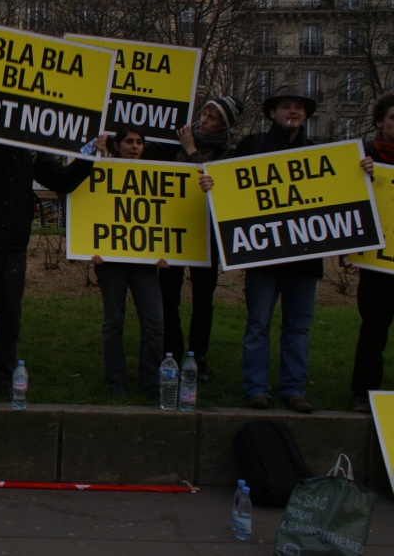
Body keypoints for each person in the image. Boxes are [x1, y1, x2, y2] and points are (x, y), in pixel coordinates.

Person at [199, 83, 372, 413]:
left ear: (306, 115)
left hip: (304, 260)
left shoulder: (320, 154)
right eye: (286, 106)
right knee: (258, 324)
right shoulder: (251, 147)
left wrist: (360, 172)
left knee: (298, 326)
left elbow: (341, 198)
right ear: (272, 112)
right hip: (263, 257)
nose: (293, 111)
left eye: (299, 107)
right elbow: (227, 185)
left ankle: (294, 389)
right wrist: (212, 184)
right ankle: (256, 389)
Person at [0, 108, 104, 408]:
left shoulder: (29, 146)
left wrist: (89, 152)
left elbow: (62, 180)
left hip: (12, 245)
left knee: (10, 318)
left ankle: (0, 377)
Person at [155, 96, 244, 382]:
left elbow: (217, 181)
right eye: (204, 113)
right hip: (176, 230)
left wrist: (192, 150)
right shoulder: (180, 138)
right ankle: (171, 352)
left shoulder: (229, 151)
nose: (204, 120)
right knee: (168, 297)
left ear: (224, 125)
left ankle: (197, 358)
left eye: (212, 117)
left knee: (203, 301)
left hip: (206, 234)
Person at [92, 126, 166, 399]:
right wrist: (90, 247)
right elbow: (90, 207)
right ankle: (116, 383)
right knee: (114, 322)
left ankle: (151, 383)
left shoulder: (155, 175)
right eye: (129, 141)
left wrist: (167, 251)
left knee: (155, 323)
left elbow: (164, 213)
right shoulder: (102, 169)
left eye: (139, 142)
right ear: (117, 145)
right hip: (110, 262)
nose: (135, 146)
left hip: (144, 263)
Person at [350, 93, 394, 413]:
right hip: (377, 265)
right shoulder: (362, 156)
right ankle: (363, 392)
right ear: (380, 121)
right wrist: (359, 172)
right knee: (374, 329)